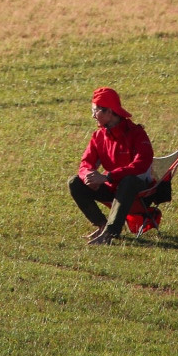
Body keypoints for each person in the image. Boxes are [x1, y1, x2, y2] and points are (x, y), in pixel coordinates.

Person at [68, 86, 153, 246]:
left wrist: (108, 176)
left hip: (137, 188)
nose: (93, 115)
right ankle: (102, 225)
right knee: (74, 182)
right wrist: (87, 176)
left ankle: (111, 232)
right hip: (112, 186)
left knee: (128, 181)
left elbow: (142, 164)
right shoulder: (98, 136)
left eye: (96, 111)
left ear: (109, 112)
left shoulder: (136, 133)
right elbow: (85, 163)